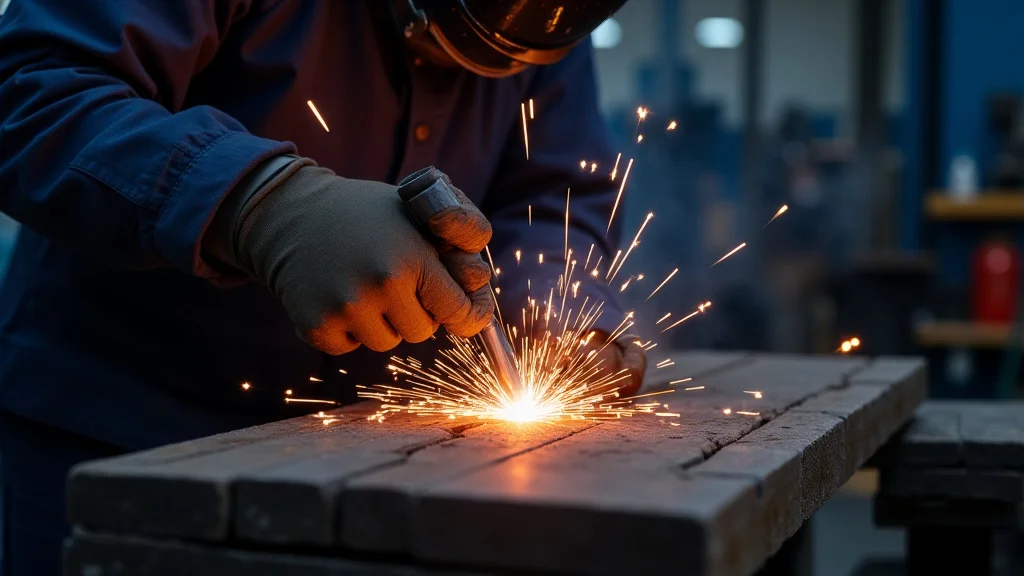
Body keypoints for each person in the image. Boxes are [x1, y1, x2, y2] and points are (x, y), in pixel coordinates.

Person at [0, 1, 644, 572]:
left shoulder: (550, 14)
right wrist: (257, 204)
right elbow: (34, 93)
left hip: (373, 463)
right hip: (119, 435)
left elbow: (555, 193)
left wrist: (553, 308)